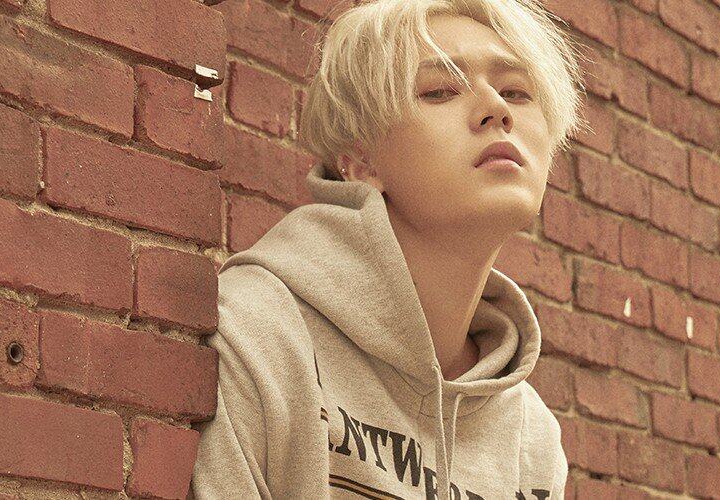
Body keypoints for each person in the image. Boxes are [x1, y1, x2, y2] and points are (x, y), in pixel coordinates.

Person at [190, 0, 589, 498]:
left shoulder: (531, 437)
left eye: (516, 91)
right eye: (440, 90)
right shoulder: (261, 334)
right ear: (361, 160)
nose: (497, 108)